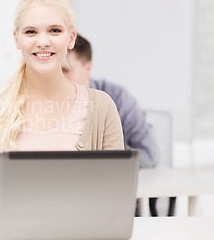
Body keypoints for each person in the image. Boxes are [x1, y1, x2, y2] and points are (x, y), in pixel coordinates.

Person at [0, 0, 124, 229]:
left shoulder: (101, 107)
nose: (43, 41)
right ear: (17, 38)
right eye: (31, 32)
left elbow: (116, 193)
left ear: (71, 38)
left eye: (55, 30)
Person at [63, 34, 159, 169]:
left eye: (66, 70)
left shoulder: (118, 98)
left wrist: (109, 149)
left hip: (106, 181)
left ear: (88, 67)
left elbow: (150, 155)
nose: (58, 78)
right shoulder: (42, 103)